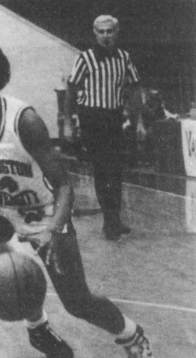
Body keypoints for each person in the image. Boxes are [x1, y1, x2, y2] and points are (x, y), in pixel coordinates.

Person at [0, 37, 157, 358]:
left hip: (41, 211)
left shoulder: (23, 120)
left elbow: (63, 185)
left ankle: (133, 338)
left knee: (77, 301)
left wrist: (52, 229)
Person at [63, 15, 146, 241]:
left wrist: (138, 121)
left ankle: (114, 218)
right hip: (92, 118)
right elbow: (71, 90)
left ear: (117, 33)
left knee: (116, 169)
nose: (106, 36)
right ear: (95, 33)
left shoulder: (124, 58)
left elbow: (135, 89)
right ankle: (110, 221)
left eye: (110, 31)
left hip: (114, 117)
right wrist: (69, 123)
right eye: (102, 31)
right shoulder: (85, 58)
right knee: (103, 169)